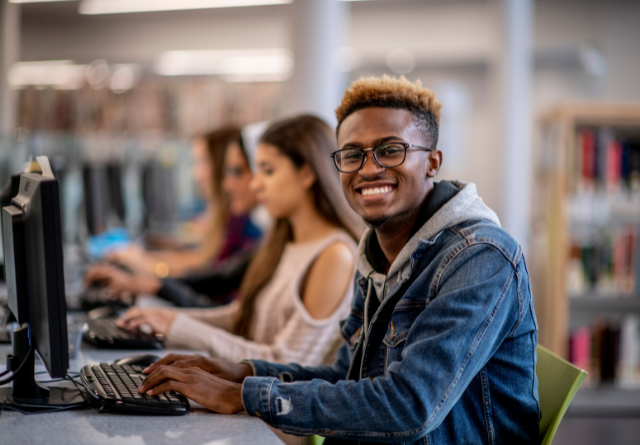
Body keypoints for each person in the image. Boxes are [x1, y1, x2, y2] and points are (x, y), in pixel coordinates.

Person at [137, 76, 540, 444]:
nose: (369, 168)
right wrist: (241, 372)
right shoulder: (378, 256)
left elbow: (409, 406)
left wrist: (244, 396)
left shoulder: (480, 258)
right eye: (353, 154)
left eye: (390, 150)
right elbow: (347, 377)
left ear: (432, 162)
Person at [115, 115, 364, 367]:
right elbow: (242, 317)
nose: (255, 184)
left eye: (268, 170)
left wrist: (176, 326)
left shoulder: (335, 254)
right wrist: (167, 319)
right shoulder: (286, 243)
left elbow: (286, 364)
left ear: (307, 173)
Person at [85, 126, 263, 306]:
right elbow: (209, 275)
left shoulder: (246, 229)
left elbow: (206, 277)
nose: (195, 173)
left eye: (202, 162)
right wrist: (147, 276)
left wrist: (149, 270)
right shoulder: (238, 224)